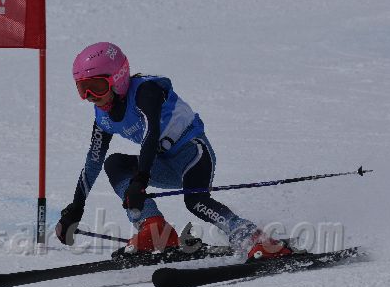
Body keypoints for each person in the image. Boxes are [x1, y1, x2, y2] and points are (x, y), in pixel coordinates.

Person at [55, 42, 291, 259]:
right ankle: (154, 228)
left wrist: (140, 180)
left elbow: (151, 134)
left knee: (196, 201)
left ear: (118, 79)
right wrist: (77, 206)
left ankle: (255, 238)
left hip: (193, 155)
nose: (89, 97)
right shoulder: (103, 115)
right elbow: (93, 160)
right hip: (163, 165)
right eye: (83, 88)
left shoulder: (146, 92)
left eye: (96, 87)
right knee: (114, 164)